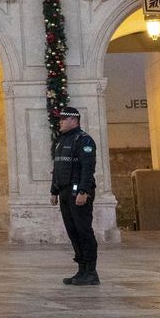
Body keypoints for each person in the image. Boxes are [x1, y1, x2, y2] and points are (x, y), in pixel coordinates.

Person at [51, 106, 100, 285]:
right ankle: (81, 269)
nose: (60, 121)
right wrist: (54, 191)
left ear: (74, 120)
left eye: (64, 118)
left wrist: (83, 191)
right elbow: (57, 168)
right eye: (60, 119)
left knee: (83, 231)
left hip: (78, 193)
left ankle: (91, 271)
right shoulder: (61, 141)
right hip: (64, 192)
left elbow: (88, 168)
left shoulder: (84, 140)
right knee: (73, 232)